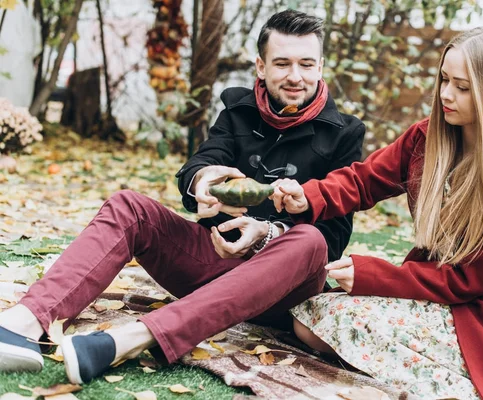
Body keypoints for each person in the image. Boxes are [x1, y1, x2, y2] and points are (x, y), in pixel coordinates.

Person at [0, 10, 365, 384]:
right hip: (213, 261)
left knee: (311, 240)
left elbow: (334, 238)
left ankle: (130, 339)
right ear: (261, 66)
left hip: (283, 292)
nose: (295, 76)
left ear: (320, 66)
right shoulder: (238, 110)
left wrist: (267, 232)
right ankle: (24, 322)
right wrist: (202, 182)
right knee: (130, 206)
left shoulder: (345, 133)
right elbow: (202, 163)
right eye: (282, 63)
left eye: (306, 64)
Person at [271, 27, 483, 400]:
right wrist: (308, 196)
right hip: (425, 285)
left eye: (463, 87)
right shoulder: (425, 137)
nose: (446, 95)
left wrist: (371, 274)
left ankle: (459, 378)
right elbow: (365, 180)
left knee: (322, 326)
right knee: (309, 319)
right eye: (445, 80)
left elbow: (469, 282)